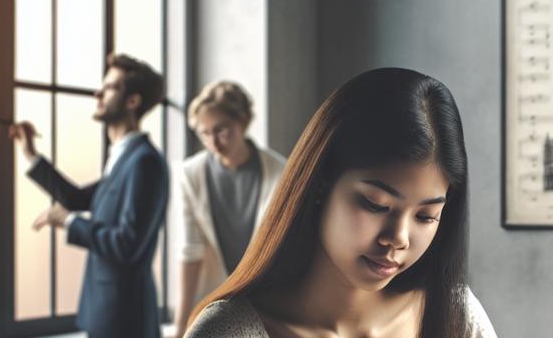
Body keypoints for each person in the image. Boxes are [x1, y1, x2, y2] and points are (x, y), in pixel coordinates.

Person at [185, 68, 497, 337]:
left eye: (426, 216)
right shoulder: (227, 331)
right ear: (320, 184)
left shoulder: (458, 316)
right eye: (375, 204)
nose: (398, 238)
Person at [9, 54, 169, 338]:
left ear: (133, 101)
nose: (98, 92)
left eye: (110, 87)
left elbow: (127, 244)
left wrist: (70, 222)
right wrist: (30, 154)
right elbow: (77, 198)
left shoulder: (144, 162)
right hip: (107, 312)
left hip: (124, 318)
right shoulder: (125, 158)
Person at [171, 81, 286, 338]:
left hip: (269, 299)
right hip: (215, 300)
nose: (213, 141)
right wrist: (180, 328)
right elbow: (190, 253)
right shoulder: (189, 175)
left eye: (221, 130)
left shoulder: (281, 172)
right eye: (204, 133)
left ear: (243, 122)